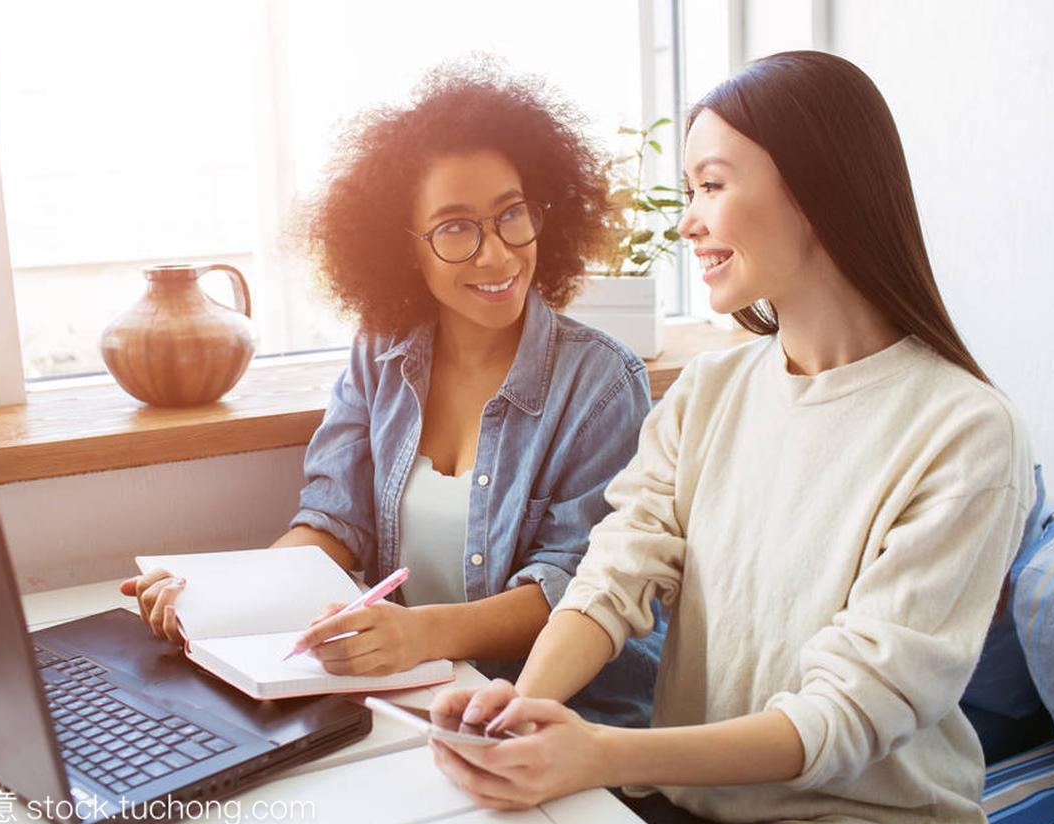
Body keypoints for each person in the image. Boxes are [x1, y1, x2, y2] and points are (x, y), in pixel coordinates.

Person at [427, 50, 1036, 824]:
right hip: (692, 805)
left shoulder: (964, 430)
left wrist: (600, 753)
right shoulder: (710, 392)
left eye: (712, 185)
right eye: (689, 192)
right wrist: (518, 716)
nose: (687, 221)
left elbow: (846, 712)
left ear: (817, 191)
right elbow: (615, 574)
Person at [120, 60, 664, 727]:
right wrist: (218, 597)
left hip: (558, 714)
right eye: (457, 228)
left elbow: (575, 588)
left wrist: (420, 633)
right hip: (410, 696)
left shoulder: (602, 384)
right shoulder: (380, 352)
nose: (496, 255)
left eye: (511, 215)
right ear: (405, 246)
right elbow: (333, 519)